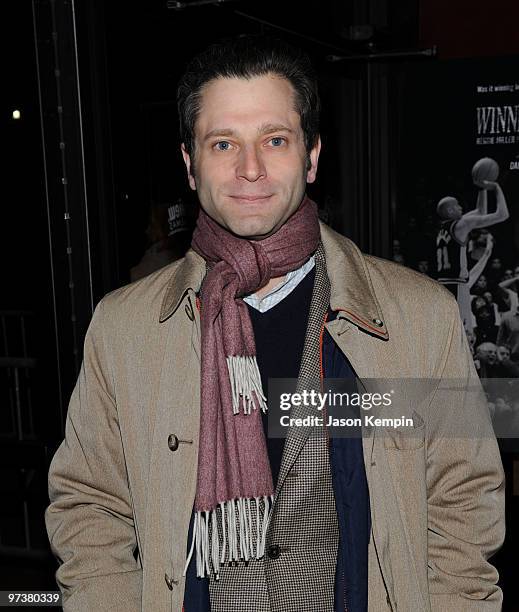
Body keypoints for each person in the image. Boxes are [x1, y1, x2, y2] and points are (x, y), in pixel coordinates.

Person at [45, 35, 505, 612]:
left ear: (311, 156)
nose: (250, 169)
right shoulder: (125, 329)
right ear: (189, 164)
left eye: (275, 140)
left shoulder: (418, 318)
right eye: (222, 143)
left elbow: (462, 503)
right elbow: (90, 504)